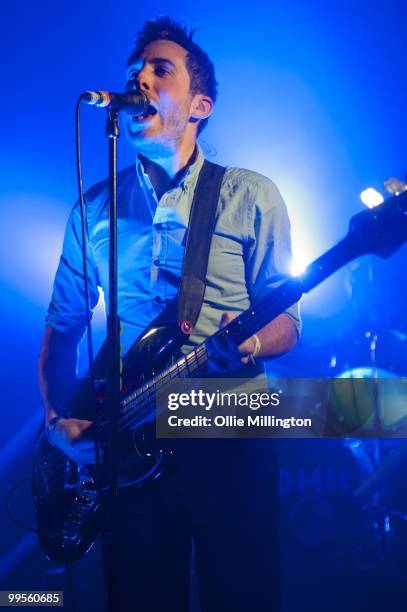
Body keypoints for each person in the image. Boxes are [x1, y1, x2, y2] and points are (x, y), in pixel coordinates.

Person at [38, 16, 301, 612]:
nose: (140, 79)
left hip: (228, 423)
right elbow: (62, 328)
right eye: (135, 71)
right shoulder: (95, 208)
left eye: (162, 70)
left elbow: (289, 320)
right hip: (125, 440)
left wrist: (253, 346)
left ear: (200, 104)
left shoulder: (251, 195)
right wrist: (58, 422)